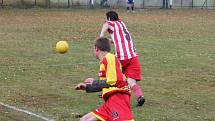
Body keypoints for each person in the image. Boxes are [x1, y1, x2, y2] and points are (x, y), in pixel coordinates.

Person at [75, 37, 134, 121]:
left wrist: (94, 82)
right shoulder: (106, 61)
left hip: (118, 98)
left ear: (96, 48)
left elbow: (114, 81)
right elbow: (106, 84)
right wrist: (87, 87)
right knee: (85, 119)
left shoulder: (109, 58)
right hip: (110, 101)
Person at [99, 11, 145, 106]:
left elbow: (106, 23)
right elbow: (119, 39)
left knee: (110, 73)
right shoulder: (122, 24)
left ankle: (107, 91)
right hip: (133, 56)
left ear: (109, 18)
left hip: (122, 56)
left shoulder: (111, 23)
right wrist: (109, 40)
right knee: (131, 81)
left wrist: (101, 36)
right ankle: (140, 96)